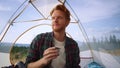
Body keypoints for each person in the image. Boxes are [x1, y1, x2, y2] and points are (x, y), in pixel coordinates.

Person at [25, 4, 80, 68]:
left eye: (59, 17)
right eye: (53, 18)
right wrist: (43, 61)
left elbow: (76, 66)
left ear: (67, 22)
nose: (55, 20)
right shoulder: (39, 39)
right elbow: (28, 65)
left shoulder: (73, 45)